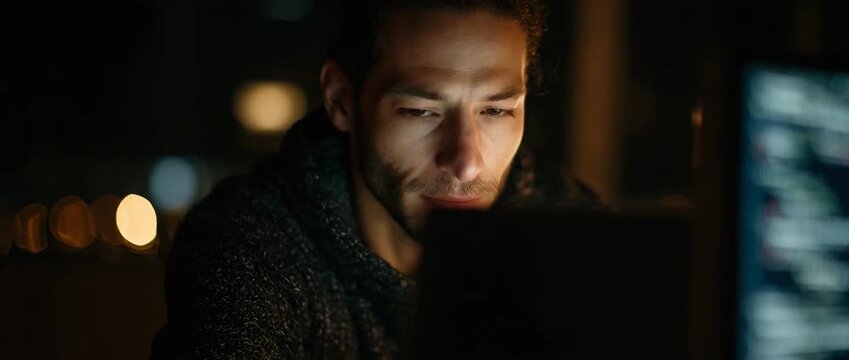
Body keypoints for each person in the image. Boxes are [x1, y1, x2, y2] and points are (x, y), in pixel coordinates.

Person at [151, 1, 598, 358]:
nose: (466, 164)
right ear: (342, 100)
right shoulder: (250, 248)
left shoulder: (574, 233)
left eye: (497, 110)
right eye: (420, 111)